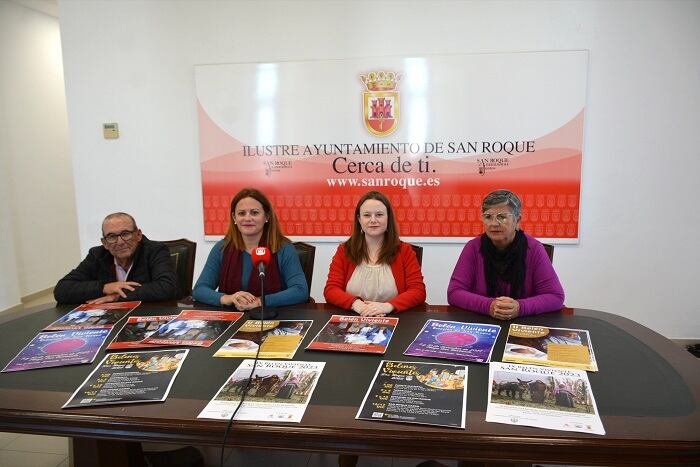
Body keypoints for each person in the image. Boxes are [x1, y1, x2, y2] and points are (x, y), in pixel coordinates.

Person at [447, 189, 564, 320]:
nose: (494, 223)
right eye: (488, 217)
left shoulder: (534, 248)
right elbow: (454, 293)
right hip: (483, 322)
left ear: (517, 220)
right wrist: (489, 306)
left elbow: (555, 296)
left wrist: (520, 307)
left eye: (502, 217)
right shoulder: (473, 247)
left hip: (523, 323)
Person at [192, 188, 308, 309]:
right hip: (231, 319)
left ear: (266, 216)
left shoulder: (283, 248)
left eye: (254, 212)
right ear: (234, 218)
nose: (247, 218)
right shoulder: (222, 248)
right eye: (241, 213)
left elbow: (300, 290)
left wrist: (259, 302)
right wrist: (229, 298)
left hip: (271, 317)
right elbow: (200, 289)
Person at [324, 190, 426, 315]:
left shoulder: (404, 251)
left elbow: (418, 291)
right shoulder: (344, 250)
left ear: (388, 218)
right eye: (367, 215)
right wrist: (357, 305)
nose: (373, 220)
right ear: (359, 219)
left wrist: (388, 306)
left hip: (393, 318)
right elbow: (331, 290)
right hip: (354, 317)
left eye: (379, 214)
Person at [54, 212, 178, 304]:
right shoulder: (97, 255)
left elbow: (167, 287)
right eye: (112, 236)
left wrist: (117, 296)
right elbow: (62, 289)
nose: (120, 242)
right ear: (105, 243)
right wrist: (104, 288)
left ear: (138, 235)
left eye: (125, 234)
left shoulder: (155, 250)